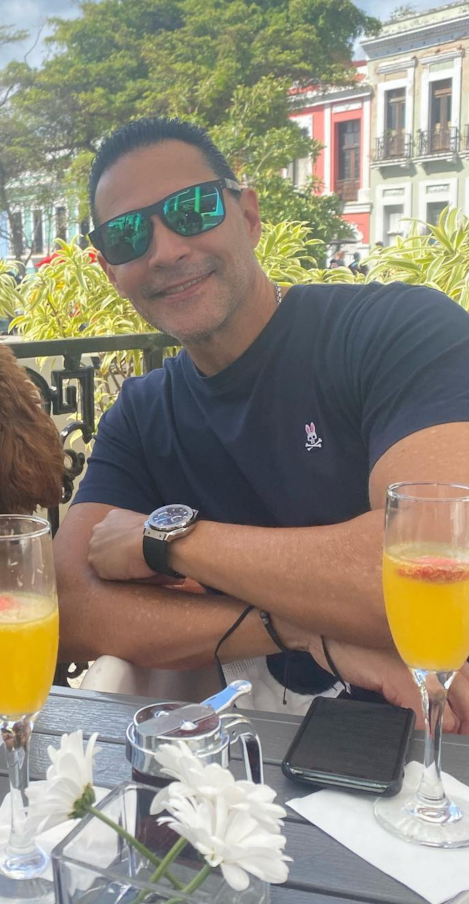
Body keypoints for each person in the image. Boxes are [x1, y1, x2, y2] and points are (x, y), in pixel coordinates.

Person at [55, 117, 469, 723]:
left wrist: (171, 539)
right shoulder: (142, 416)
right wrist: (302, 631)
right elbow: (69, 605)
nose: (167, 250)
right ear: (110, 270)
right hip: (239, 772)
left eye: (193, 209)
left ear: (247, 216)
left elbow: (434, 567)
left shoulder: (395, 331)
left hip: (436, 748)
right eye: (127, 236)